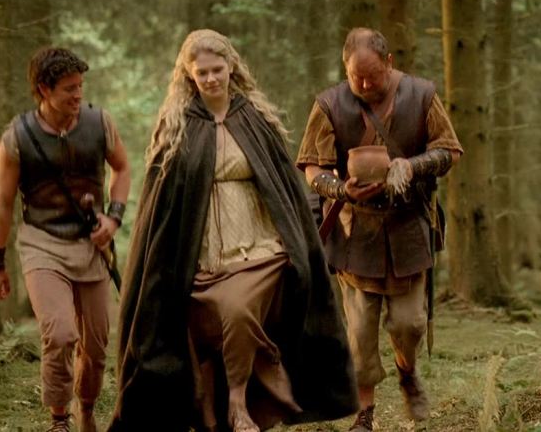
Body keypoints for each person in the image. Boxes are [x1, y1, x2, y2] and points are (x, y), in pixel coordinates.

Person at [108, 29, 357, 432]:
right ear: (190, 76)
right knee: (211, 320)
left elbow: (282, 185)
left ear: (231, 68)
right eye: (202, 72)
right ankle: (212, 404)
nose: (210, 78)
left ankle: (239, 403)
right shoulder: (178, 127)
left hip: (260, 246)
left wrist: (300, 239)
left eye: (217, 70)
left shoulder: (253, 118)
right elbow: (162, 203)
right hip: (205, 253)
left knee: (240, 310)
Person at [296, 27, 463, 431]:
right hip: (355, 233)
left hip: (409, 228)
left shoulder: (421, 95)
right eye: (357, 77)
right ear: (345, 69)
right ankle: (364, 413)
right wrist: (341, 189)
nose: (366, 85)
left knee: (409, 325)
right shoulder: (329, 104)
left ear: (389, 63)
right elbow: (312, 167)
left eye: (373, 76)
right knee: (359, 334)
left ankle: (407, 373)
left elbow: (450, 150)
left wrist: (412, 166)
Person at [0, 47, 131, 432]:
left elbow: (122, 168)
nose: (78, 94)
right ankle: (59, 418)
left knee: (96, 345)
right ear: (43, 89)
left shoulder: (99, 123)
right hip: (42, 242)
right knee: (61, 333)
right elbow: (3, 204)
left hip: (91, 245)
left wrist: (113, 218)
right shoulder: (17, 137)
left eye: (81, 86)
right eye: (69, 88)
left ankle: (87, 408)